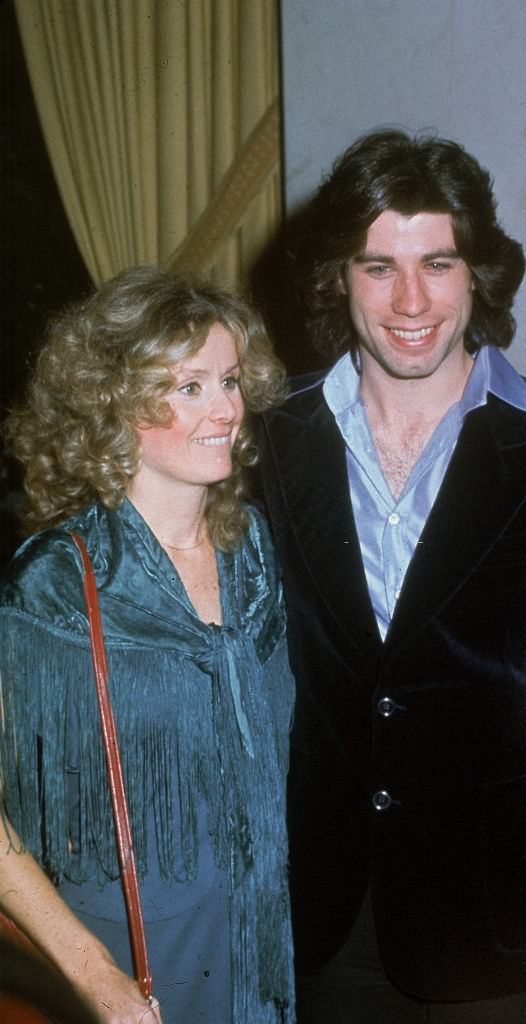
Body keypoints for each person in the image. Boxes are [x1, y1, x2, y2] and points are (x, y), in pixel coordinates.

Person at [257, 130, 526, 1024]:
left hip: (497, 921)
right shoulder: (269, 442)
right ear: (337, 280)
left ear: (478, 274)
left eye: (438, 262)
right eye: (377, 267)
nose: (412, 300)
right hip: (315, 916)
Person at [0, 266, 296, 1024]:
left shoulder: (257, 549)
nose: (226, 409)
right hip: (141, 967)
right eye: (189, 387)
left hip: (265, 950)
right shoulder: (61, 582)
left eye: (229, 382)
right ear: (114, 402)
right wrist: (96, 978)